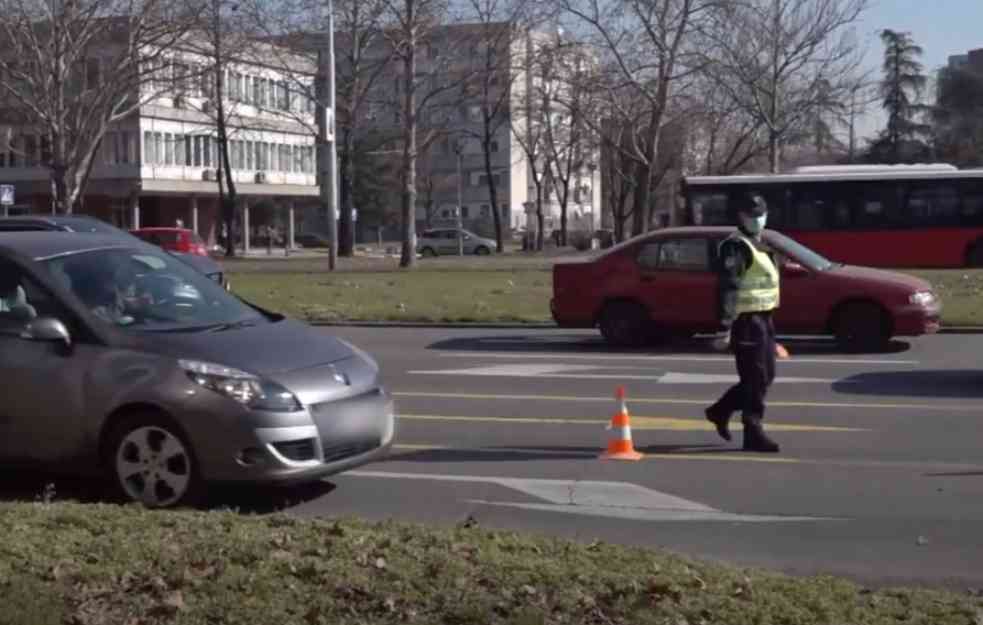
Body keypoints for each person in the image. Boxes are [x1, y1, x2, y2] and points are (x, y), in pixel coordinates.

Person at [705, 191, 784, 453]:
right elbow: (729, 286)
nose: (757, 219)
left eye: (761, 214)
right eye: (752, 215)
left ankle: (720, 410)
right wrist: (725, 326)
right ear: (740, 216)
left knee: (764, 376)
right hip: (746, 321)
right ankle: (753, 431)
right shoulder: (736, 246)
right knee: (756, 378)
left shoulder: (758, 243)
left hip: (763, 319)